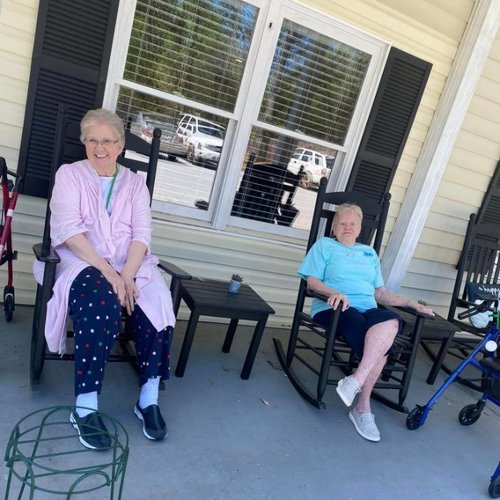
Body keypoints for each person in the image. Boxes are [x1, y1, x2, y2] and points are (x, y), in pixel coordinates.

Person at [33, 108, 176, 450]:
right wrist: (110, 273)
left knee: (158, 300)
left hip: (131, 262)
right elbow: (69, 231)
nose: (100, 148)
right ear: (84, 142)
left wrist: (126, 275)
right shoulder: (70, 175)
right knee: (102, 303)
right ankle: (85, 407)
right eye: (92, 140)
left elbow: (142, 234)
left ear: (120, 146)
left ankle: (148, 399)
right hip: (81, 260)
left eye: (108, 141)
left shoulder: (135, 184)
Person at [298, 203, 433, 442]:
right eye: (342, 223)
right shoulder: (324, 246)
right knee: (379, 345)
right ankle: (362, 408)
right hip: (334, 307)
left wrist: (413, 304)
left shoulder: (369, 253)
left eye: (352, 224)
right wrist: (334, 292)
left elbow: (380, 293)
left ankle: (356, 380)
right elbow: (312, 282)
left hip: (368, 309)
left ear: (360, 229)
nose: (347, 227)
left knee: (391, 321)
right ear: (333, 227)